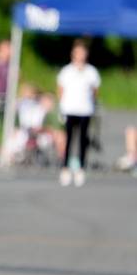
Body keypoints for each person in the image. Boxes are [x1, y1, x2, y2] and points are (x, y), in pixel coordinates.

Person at [57, 40, 100, 187]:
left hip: (85, 109)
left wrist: (92, 105)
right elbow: (61, 90)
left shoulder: (91, 72)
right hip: (69, 109)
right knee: (68, 139)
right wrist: (61, 107)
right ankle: (65, 167)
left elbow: (95, 91)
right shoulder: (66, 71)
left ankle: (81, 168)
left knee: (83, 140)